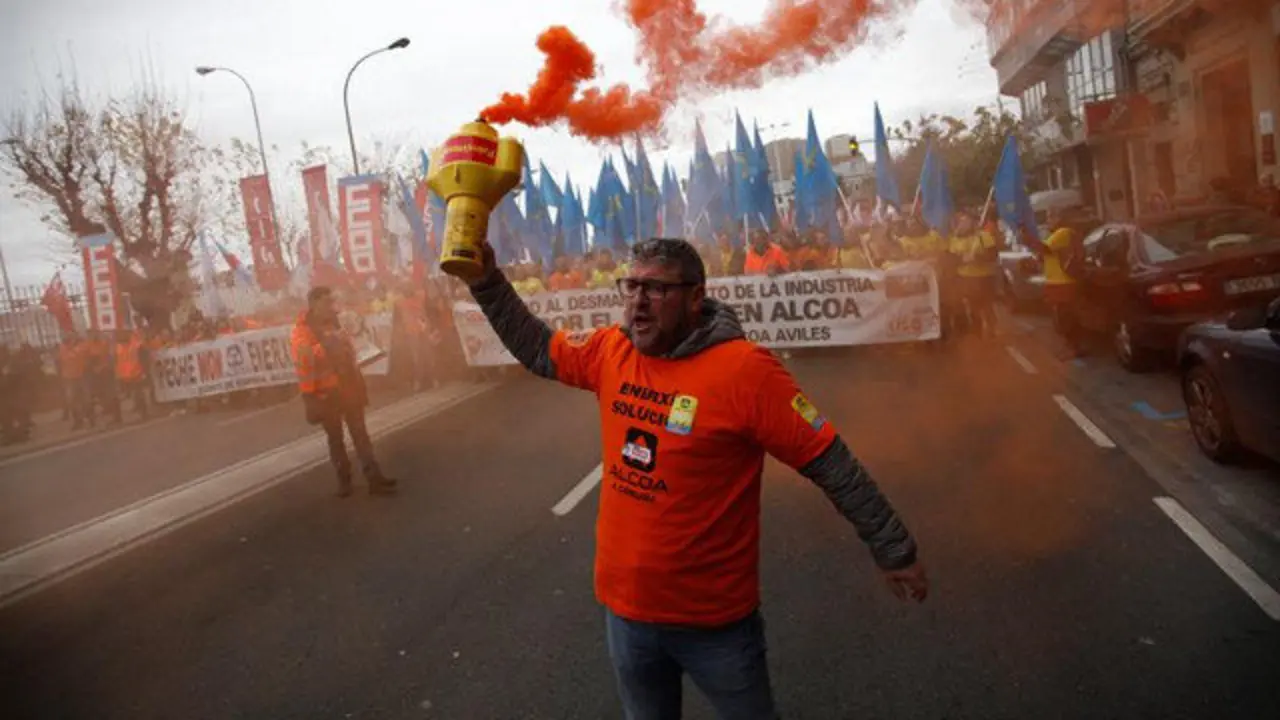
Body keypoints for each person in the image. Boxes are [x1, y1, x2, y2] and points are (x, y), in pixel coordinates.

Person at [465, 236, 928, 719]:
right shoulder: (612, 351)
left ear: (695, 296)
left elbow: (831, 463)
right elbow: (538, 348)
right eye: (632, 286)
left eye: (657, 290)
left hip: (717, 626)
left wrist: (894, 548)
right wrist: (485, 281)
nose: (638, 303)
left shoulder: (746, 371)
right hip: (626, 616)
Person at [291, 286, 397, 498]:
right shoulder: (302, 329)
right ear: (314, 304)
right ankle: (344, 481)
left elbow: (349, 350)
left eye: (332, 301)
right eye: (327, 302)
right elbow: (305, 358)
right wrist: (330, 342)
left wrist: (361, 351)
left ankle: (374, 478)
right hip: (326, 395)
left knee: (360, 435)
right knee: (336, 439)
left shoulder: (336, 321)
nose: (332, 306)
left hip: (348, 388)